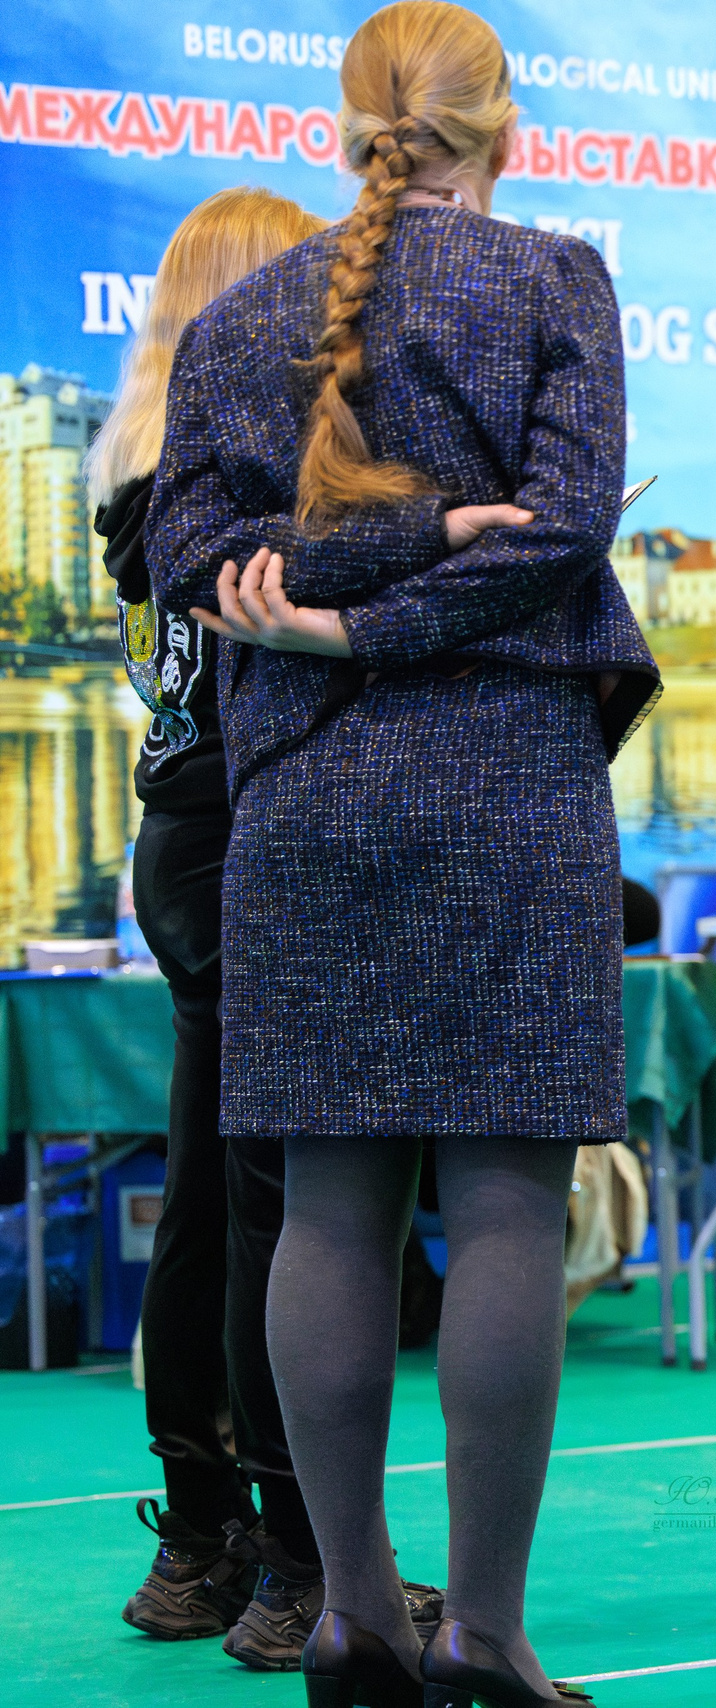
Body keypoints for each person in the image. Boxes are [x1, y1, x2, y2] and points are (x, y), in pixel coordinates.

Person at [150, 4, 656, 1699]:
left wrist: (331, 619)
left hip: (302, 801)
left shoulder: (233, 320)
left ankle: (358, 1609)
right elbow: (570, 525)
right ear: (503, 130)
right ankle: (491, 1636)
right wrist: (420, 564)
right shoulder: (556, 281)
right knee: (507, 1205)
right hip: (507, 781)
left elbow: (193, 556)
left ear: (348, 126)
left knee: (331, 1210)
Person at [91, 183, 449, 1670]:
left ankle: (200, 1540)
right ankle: (305, 1565)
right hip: (252, 834)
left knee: (205, 1192)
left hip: (172, 837)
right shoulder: (262, 468)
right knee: (281, 1206)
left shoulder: (134, 474)